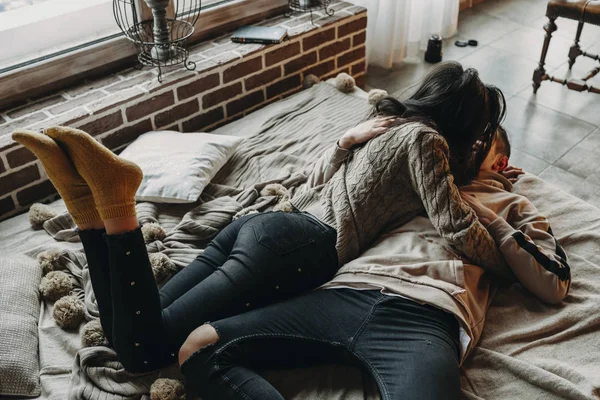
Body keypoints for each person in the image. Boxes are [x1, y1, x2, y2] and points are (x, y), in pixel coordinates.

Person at [13, 61, 509, 374]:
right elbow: (456, 226)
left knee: (130, 319)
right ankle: (118, 202)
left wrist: (343, 142)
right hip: (298, 247)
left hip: (258, 225)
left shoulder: (383, 123)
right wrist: (506, 257)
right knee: (145, 353)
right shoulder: (428, 141)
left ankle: (86, 208)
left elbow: (314, 180)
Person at [178, 126, 571, 400]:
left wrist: (485, 215)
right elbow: (331, 189)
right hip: (344, 291)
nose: (461, 146)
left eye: (477, 143)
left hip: (427, 315)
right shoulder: (425, 169)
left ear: (500, 164)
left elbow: (552, 282)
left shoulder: (516, 207)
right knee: (198, 346)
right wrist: (343, 143)